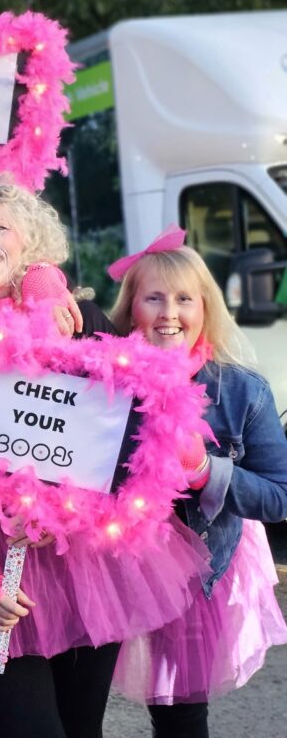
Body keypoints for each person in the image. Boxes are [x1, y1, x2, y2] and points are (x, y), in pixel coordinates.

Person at [0, 177, 211, 738]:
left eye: (0, 228)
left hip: (84, 566)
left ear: (28, 240)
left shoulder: (75, 317)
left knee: (80, 728)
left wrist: (72, 510)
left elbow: (130, 435)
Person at [107, 230, 287, 738]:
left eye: (184, 298)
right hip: (106, 568)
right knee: (81, 703)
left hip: (194, 575)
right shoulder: (103, 381)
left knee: (179, 714)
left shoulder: (240, 391)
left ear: (205, 308)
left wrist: (207, 471)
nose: (169, 312)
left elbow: (280, 496)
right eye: (154, 298)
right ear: (131, 308)